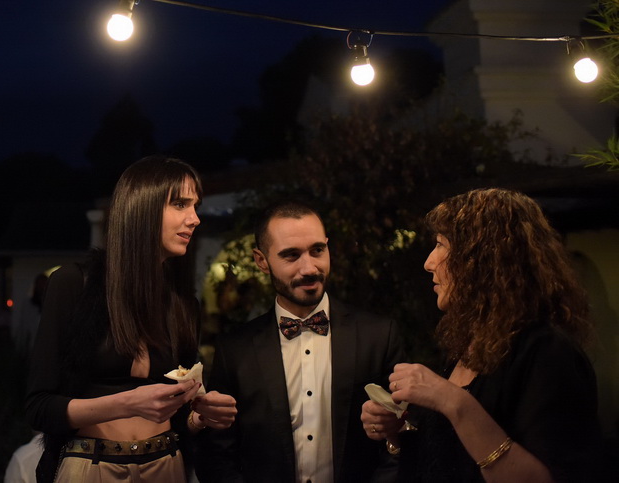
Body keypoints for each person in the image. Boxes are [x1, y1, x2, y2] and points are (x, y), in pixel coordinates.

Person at [360, 188, 602, 482]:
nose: (429, 262)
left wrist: (452, 400)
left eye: (441, 245)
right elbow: (450, 460)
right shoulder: (473, 344)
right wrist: (398, 431)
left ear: (484, 259)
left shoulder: (547, 352)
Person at [25, 155, 238, 483]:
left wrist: (200, 415)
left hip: (167, 463)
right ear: (142, 207)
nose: (195, 218)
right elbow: (40, 408)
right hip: (91, 465)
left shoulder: (182, 304)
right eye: (180, 204)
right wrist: (127, 403)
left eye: (195, 206)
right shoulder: (74, 284)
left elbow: (179, 415)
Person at [197, 199, 404, 483]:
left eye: (317, 250)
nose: (309, 268)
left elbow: (401, 438)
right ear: (262, 261)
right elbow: (217, 453)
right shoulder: (234, 350)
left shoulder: (378, 335)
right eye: (291, 255)